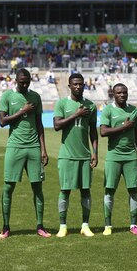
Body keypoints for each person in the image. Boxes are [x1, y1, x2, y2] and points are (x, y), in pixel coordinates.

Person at [0, 68, 49, 239]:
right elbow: (2, 121)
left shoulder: (35, 97)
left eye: (27, 81)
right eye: (22, 81)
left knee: (37, 187)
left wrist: (43, 149)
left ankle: (40, 226)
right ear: (16, 80)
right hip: (15, 146)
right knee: (8, 187)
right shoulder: (7, 96)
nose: (25, 83)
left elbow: (39, 124)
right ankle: (5, 227)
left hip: (34, 146)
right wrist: (22, 111)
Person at [53, 73, 98, 238]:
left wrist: (95, 152)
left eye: (81, 84)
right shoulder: (62, 103)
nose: (78, 87)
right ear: (69, 86)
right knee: (65, 190)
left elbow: (93, 131)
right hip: (67, 155)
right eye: (75, 84)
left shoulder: (91, 106)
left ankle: (85, 225)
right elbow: (57, 125)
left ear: (84, 85)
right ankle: (62, 226)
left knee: (85, 190)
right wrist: (75, 115)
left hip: (85, 155)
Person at [99, 83, 137, 236]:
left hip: (131, 156)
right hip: (114, 156)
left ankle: (133, 225)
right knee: (109, 190)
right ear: (114, 94)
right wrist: (124, 127)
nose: (122, 95)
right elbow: (103, 132)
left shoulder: (134, 110)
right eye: (119, 92)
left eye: (125, 92)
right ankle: (108, 225)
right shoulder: (108, 110)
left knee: (133, 190)